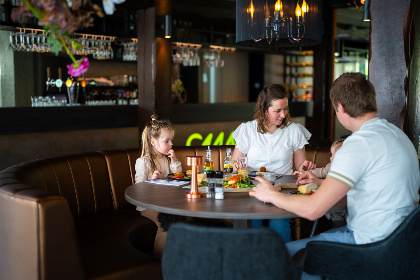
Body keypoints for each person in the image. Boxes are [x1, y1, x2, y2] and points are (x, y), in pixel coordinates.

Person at [249, 73, 420, 280]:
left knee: (275, 253)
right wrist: (322, 183)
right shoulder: (397, 134)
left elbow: (312, 210)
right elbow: (374, 189)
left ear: (340, 107)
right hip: (403, 245)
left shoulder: (357, 144)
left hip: (370, 246)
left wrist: (271, 194)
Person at [232, 84, 316, 242]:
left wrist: (305, 167)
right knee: (252, 220)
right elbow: (235, 164)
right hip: (253, 190)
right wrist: (237, 167)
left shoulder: (294, 130)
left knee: (279, 222)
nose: (283, 114)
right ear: (265, 110)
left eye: (285, 109)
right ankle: (254, 263)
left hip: (283, 190)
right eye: (278, 110)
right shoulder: (247, 130)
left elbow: (300, 166)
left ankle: (284, 262)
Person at [135, 114, 187, 259]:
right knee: (164, 224)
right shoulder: (143, 162)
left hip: (165, 204)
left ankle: (179, 255)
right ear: (153, 142)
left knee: (184, 219)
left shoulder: (166, 160)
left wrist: (174, 160)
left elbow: (179, 176)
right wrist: (152, 181)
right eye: (167, 141)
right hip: (148, 206)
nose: (171, 144)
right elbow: (138, 189)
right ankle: (159, 260)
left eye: (171, 140)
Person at [293, 139, 347, 227]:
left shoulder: (348, 170)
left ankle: (341, 224)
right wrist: (306, 172)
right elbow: (321, 171)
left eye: (334, 156)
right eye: (331, 155)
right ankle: (337, 221)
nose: (331, 158)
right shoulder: (331, 166)